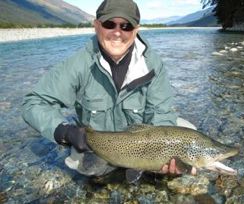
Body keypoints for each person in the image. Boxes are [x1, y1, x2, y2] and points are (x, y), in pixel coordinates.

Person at [22, 0, 196, 177]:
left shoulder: (152, 65)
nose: (117, 32)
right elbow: (33, 103)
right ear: (97, 26)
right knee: (89, 170)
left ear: (136, 30)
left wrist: (165, 160)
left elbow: (161, 113)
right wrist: (65, 131)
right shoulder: (78, 65)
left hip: (142, 147)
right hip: (97, 148)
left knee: (190, 140)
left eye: (126, 26)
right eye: (109, 24)